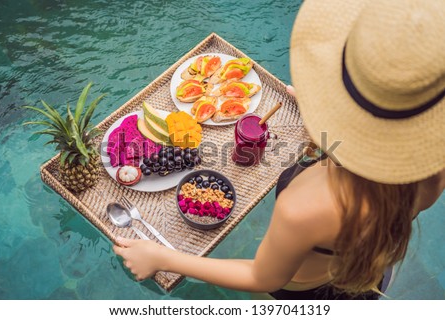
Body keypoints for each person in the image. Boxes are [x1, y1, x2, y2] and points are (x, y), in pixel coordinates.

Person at [113, 0, 445, 299]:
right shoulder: (433, 164)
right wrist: (329, 120)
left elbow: (261, 276)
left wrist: (163, 258)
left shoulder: (305, 206)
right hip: (368, 273)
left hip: (304, 292)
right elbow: (377, 158)